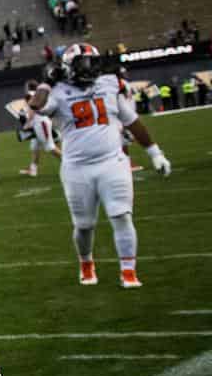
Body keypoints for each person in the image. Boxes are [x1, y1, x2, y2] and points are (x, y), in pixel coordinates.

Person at [27, 43, 171, 287]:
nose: (91, 68)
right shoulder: (58, 91)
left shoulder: (108, 84)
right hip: (77, 168)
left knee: (122, 216)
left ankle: (128, 271)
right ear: (71, 67)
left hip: (112, 161)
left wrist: (155, 153)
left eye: (93, 62)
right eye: (85, 63)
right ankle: (86, 262)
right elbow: (36, 106)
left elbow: (132, 121)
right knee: (84, 226)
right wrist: (46, 82)